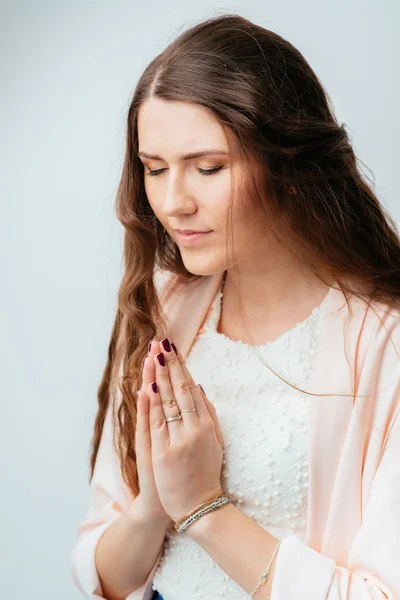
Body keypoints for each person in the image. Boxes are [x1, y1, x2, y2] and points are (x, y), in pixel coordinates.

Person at [69, 12, 400, 600]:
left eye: (208, 168)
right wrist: (152, 504)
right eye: (154, 169)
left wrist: (202, 506)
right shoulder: (165, 308)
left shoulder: (383, 344)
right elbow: (104, 576)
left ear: (289, 166)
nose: (173, 203)